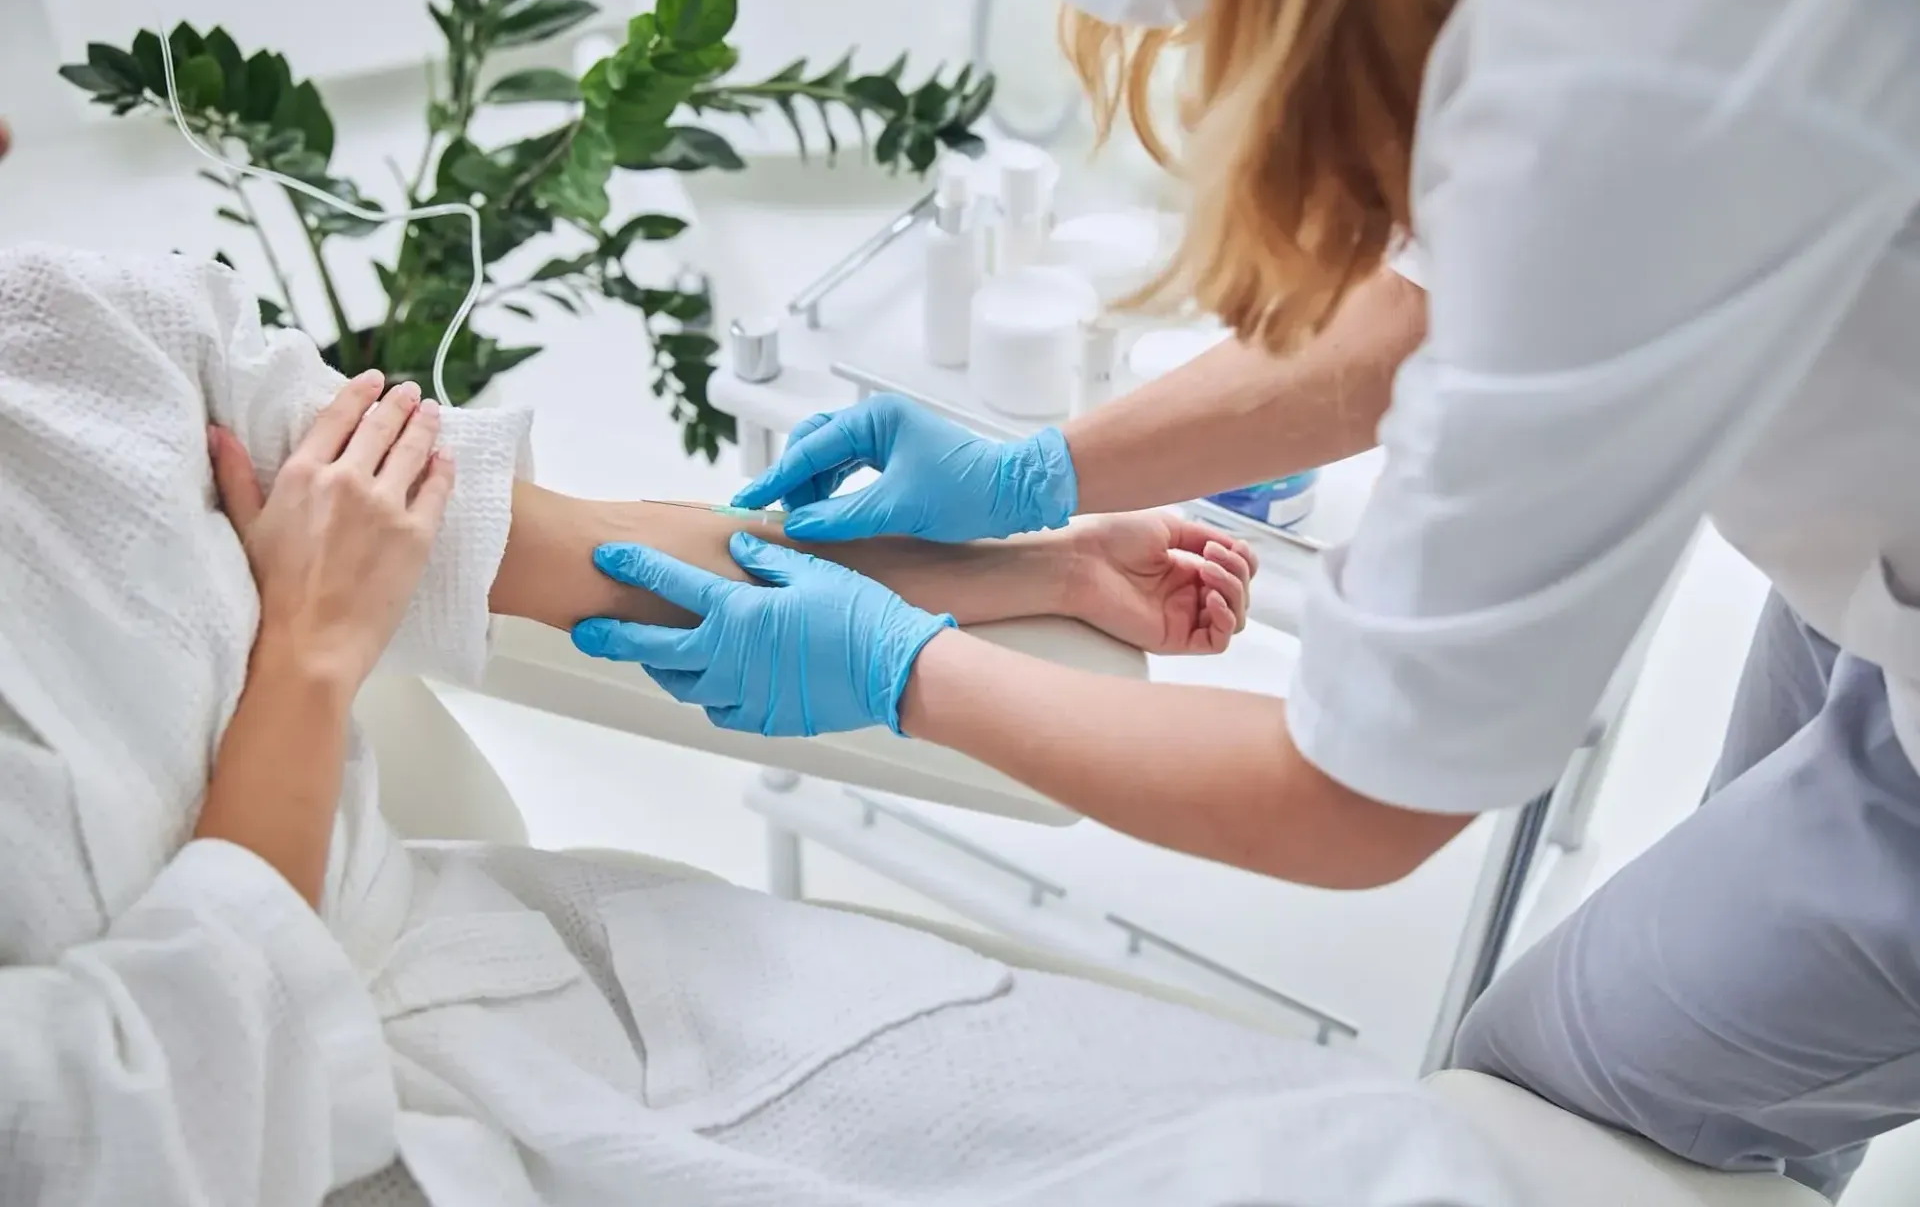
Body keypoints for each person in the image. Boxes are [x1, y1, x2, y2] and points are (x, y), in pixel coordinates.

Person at [570, 0, 1920, 1197]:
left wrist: (902, 669)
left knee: (1555, 1115)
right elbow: (1430, 310)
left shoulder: (1627, 69)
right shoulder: (1562, 15)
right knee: (1752, 1033)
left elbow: (1363, 798)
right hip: (1877, 563)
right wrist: (1043, 477)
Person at [0, 243, 1520, 1205]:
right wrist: (308, 661)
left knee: (1349, 1156)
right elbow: (115, 1128)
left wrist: (1028, 546)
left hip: (539, 989)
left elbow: (557, 543)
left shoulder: (78, 334)